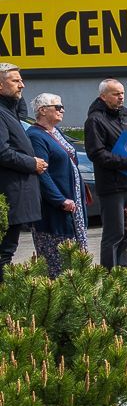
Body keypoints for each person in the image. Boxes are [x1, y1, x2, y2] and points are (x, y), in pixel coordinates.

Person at [84, 78, 127, 269]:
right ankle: (110, 275)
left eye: (122, 93)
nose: (121, 97)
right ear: (103, 96)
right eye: (116, 94)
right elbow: (96, 153)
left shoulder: (126, 114)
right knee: (115, 233)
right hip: (112, 185)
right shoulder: (95, 120)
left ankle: (124, 272)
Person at [26, 93, 88, 278]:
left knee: (77, 261)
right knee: (58, 263)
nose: (62, 110)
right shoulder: (36, 136)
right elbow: (42, 173)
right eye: (58, 107)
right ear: (42, 110)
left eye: (62, 107)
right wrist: (59, 200)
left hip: (73, 203)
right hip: (55, 209)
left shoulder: (54, 131)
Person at [0, 64, 46, 280]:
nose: (22, 85)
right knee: (5, 252)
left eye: (21, 80)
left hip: (17, 194)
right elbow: (2, 152)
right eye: (15, 81)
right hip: (10, 194)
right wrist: (31, 163)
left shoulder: (9, 111)